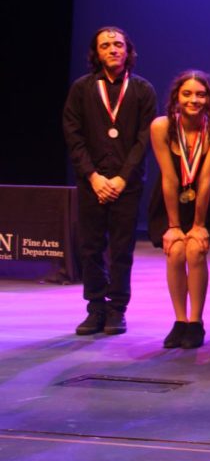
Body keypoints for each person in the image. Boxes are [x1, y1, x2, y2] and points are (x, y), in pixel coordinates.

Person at [63, 26, 157, 336]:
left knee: (121, 248)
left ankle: (117, 308)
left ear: (128, 51)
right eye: (105, 45)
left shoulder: (143, 90)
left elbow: (144, 140)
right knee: (90, 247)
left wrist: (120, 178)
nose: (113, 49)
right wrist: (93, 176)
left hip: (125, 183)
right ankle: (95, 307)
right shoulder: (82, 88)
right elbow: (73, 135)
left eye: (118, 44)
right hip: (91, 181)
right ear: (97, 53)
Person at [148, 71, 210, 349]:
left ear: (209, 99)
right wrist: (173, 226)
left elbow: (206, 177)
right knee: (175, 252)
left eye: (200, 94)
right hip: (171, 199)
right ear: (176, 97)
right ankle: (179, 320)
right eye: (187, 94)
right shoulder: (161, 126)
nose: (194, 99)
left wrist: (199, 225)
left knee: (195, 250)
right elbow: (169, 178)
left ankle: (195, 322)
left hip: (207, 200)